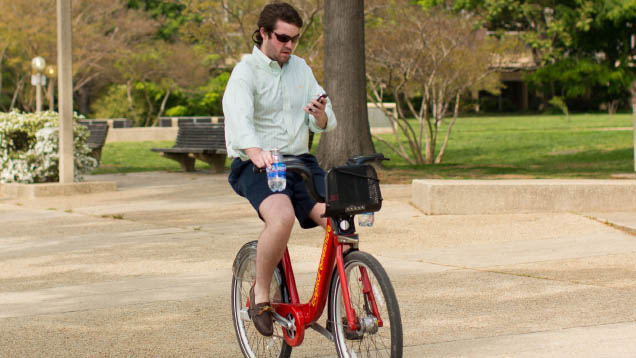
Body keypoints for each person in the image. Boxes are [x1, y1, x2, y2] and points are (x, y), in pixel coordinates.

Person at [222, 2, 337, 337]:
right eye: (283, 38)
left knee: (338, 219)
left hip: (300, 162)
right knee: (282, 217)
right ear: (263, 33)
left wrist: (319, 116)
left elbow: (326, 121)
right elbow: (237, 115)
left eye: (295, 39)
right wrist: (254, 150)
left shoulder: (301, 68)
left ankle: (339, 299)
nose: (289, 45)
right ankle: (260, 296)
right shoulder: (245, 72)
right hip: (257, 164)